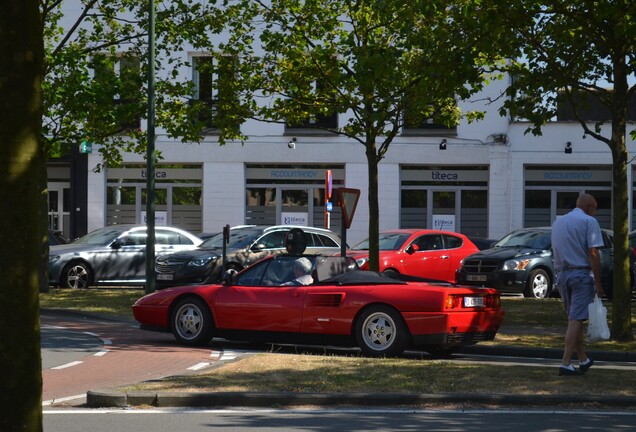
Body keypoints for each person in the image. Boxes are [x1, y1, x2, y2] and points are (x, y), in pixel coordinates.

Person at [551, 193, 605, 376]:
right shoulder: (589, 222)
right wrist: (598, 281)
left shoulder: (558, 222)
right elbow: (594, 252)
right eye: (596, 208)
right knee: (576, 320)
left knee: (574, 319)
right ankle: (565, 362)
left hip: (562, 275)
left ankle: (583, 359)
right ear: (589, 206)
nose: (596, 212)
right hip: (581, 275)